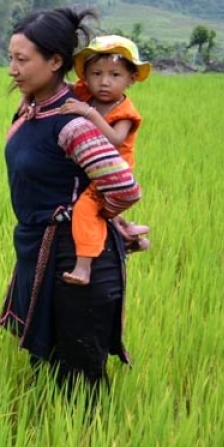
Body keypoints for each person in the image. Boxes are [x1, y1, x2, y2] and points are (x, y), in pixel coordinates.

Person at [0, 7, 142, 400]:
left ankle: (88, 441)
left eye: (22, 60)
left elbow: (124, 188)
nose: (12, 69)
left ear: (55, 62)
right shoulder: (31, 111)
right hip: (38, 251)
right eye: (10, 58)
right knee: (46, 372)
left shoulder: (73, 122)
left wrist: (100, 217)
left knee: (79, 383)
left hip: (75, 263)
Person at [58, 35, 152, 285]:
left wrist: (88, 113)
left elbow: (115, 139)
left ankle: (83, 267)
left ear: (131, 79)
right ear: (86, 77)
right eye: (96, 74)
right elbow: (61, 88)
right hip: (92, 168)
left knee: (85, 209)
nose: (104, 82)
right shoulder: (86, 93)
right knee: (97, 210)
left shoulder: (125, 112)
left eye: (115, 75)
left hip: (111, 176)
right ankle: (130, 236)